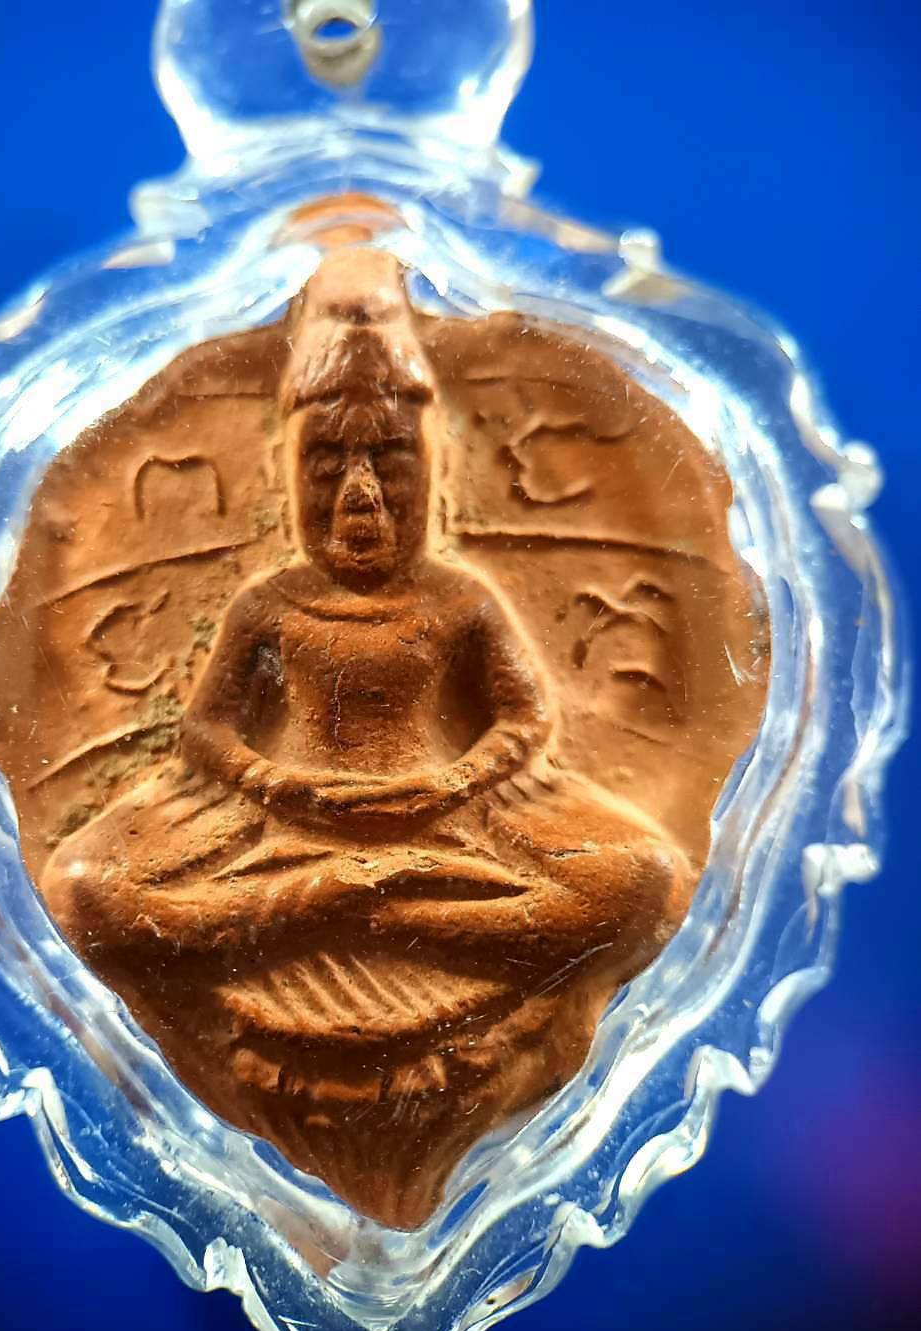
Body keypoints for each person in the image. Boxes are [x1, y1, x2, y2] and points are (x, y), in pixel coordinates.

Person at [43, 251, 689, 987]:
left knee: (644, 880)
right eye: (328, 464)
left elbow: (525, 719)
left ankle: (342, 913)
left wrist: (455, 784)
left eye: (389, 461)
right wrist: (275, 786)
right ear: (292, 478)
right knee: (85, 888)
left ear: (429, 473)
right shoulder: (267, 603)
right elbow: (206, 730)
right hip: (284, 819)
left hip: (442, 817)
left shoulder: (462, 598)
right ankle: (384, 908)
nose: (361, 493)